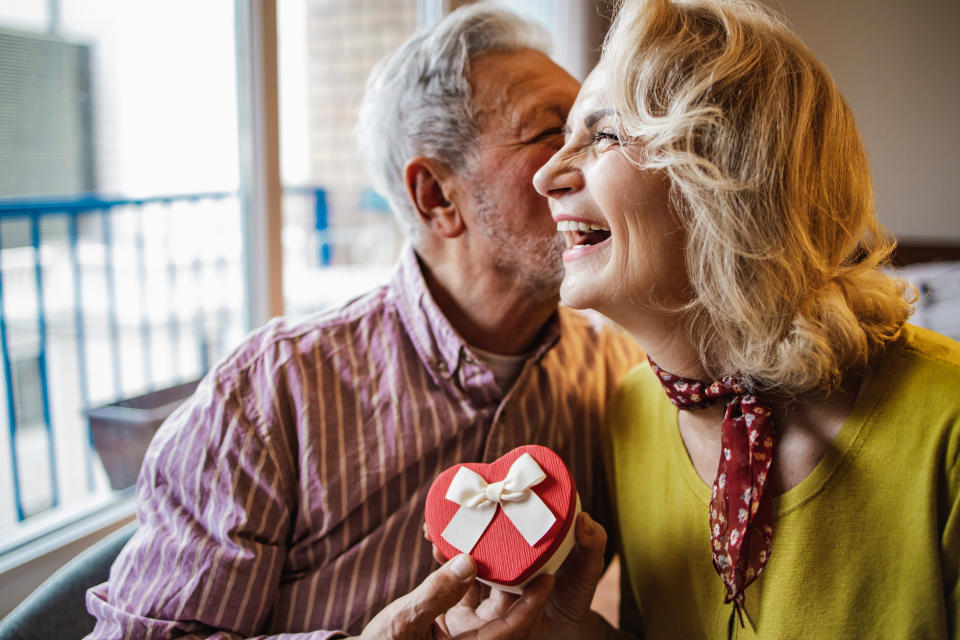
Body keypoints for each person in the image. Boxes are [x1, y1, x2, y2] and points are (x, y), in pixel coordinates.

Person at [84, 3, 644, 639]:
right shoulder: (268, 398)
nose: (591, 163)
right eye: (550, 134)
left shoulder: (616, 381)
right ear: (436, 196)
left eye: (593, 134)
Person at [533, 0, 960, 638]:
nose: (546, 176)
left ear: (730, 174)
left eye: (604, 135)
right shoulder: (629, 413)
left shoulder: (947, 424)